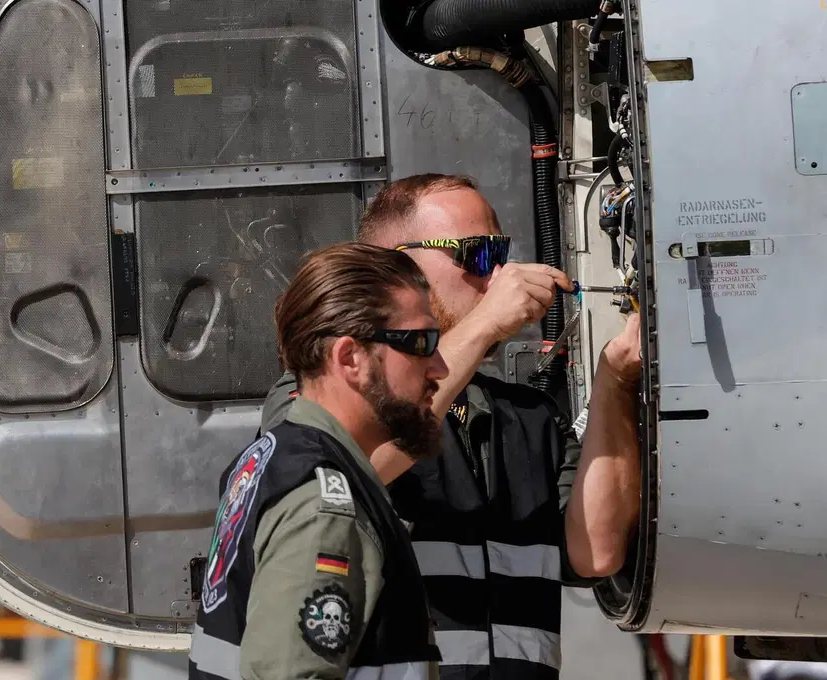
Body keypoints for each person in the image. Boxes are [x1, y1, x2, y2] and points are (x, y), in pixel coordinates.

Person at [259, 174, 643, 680]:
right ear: (395, 264)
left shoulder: (527, 416)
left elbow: (596, 552)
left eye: (500, 254)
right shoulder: (317, 394)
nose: (498, 275)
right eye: (475, 255)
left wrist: (616, 377)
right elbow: (347, 470)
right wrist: (486, 322)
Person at [189, 242, 450, 680]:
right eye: (422, 342)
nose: (441, 367)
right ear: (350, 359)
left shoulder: (272, 459)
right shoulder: (324, 506)